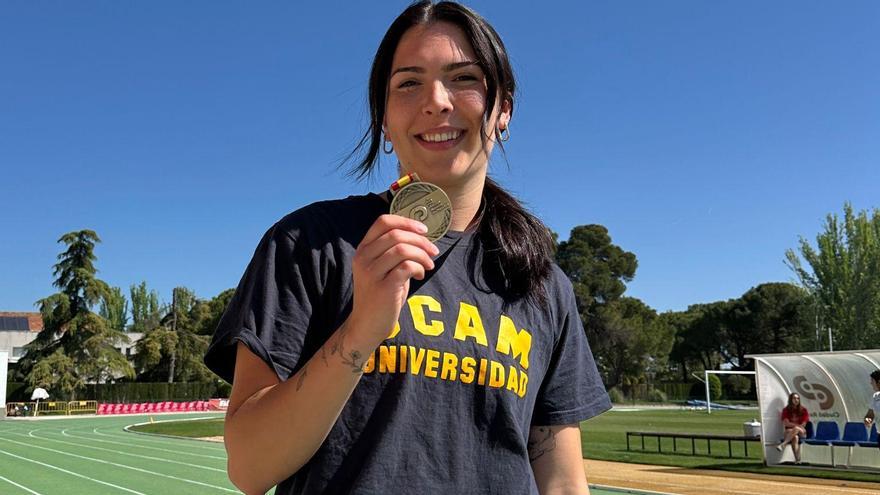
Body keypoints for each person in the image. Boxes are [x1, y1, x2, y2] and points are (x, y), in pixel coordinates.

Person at [205, 2, 611, 494]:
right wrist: (361, 329)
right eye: (409, 83)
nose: (437, 101)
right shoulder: (308, 244)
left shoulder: (543, 282)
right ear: (383, 118)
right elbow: (249, 467)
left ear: (503, 109)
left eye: (464, 78)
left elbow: (563, 481)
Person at [776, 392, 809, 463]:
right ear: (791, 399)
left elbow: (803, 425)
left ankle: (783, 444)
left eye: (798, 398)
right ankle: (798, 460)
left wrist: (794, 426)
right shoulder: (786, 410)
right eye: (794, 398)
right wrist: (796, 425)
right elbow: (786, 423)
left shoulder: (804, 410)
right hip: (790, 432)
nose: (796, 400)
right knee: (795, 437)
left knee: (796, 429)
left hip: (802, 432)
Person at [864, 369, 880, 450]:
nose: (871, 383)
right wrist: (868, 420)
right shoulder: (875, 396)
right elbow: (870, 414)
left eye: (872, 381)